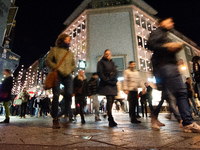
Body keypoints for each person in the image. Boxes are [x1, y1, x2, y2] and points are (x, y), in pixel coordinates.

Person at [147, 17, 200, 132]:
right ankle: (187, 122)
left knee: (165, 96)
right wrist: (167, 47)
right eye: (169, 21)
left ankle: (154, 117)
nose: (172, 23)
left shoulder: (166, 36)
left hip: (167, 67)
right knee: (181, 93)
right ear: (161, 23)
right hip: (166, 67)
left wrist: (176, 58)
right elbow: (150, 44)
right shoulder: (158, 32)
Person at [46, 33, 75, 129]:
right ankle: (55, 118)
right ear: (61, 41)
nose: (68, 42)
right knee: (56, 95)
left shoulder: (70, 53)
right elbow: (48, 61)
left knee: (69, 93)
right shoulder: (54, 50)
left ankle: (66, 111)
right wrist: (56, 68)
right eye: (67, 40)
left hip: (68, 75)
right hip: (57, 74)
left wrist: (70, 70)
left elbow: (73, 64)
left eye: (69, 40)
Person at [97, 49, 118, 127]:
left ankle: (110, 118)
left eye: (109, 53)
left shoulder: (112, 63)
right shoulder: (101, 63)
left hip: (112, 84)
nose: (108, 55)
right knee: (109, 101)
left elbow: (116, 72)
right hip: (106, 85)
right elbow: (101, 73)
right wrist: (108, 80)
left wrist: (114, 80)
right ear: (104, 54)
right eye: (106, 54)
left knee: (111, 100)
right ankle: (111, 119)